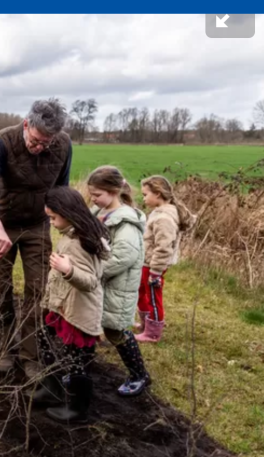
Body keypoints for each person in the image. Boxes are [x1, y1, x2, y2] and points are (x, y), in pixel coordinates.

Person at [0, 98, 73, 376]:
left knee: (39, 290)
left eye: (46, 143)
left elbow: (62, 188)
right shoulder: (2, 141)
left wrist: (69, 227)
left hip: (38, 225)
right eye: (36, 140)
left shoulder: (63, 145)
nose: (40, 148)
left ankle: (31, 355)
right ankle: (4, 349)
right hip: (0, 223)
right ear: (26, 125)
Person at [32, 186, 108, 424]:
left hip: (78, 313)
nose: (51, 223)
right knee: (46, 341)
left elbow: (91, 282)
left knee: (77, 360)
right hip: (63, 306)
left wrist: (68, 270)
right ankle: (52, 388)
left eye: (53, 217)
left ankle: (78, 409)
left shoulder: (82, 242)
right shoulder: (71, 233)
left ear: (67, 212)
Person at [87, 166, 150, 397]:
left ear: (114, 191)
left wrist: (93, 270)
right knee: (90, 322)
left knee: (116, 330)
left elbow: (123, 257)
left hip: (116, 286)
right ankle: (81, 367)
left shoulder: (126, 222)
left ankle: (139, 375)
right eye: (91, 194)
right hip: (99, 283)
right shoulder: (99, 212)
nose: (93, 199)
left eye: (97, 195)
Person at [135, 175, 195, 343]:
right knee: (142, 291)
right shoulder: (158, 212)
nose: (143, 198)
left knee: (153, 297)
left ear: (158, 194)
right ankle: (146, 323)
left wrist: (155, 272)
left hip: (153, 265)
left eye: (145, 194)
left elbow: (163, 248)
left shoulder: (164, 218)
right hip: (147, 261)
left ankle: (153, 332)